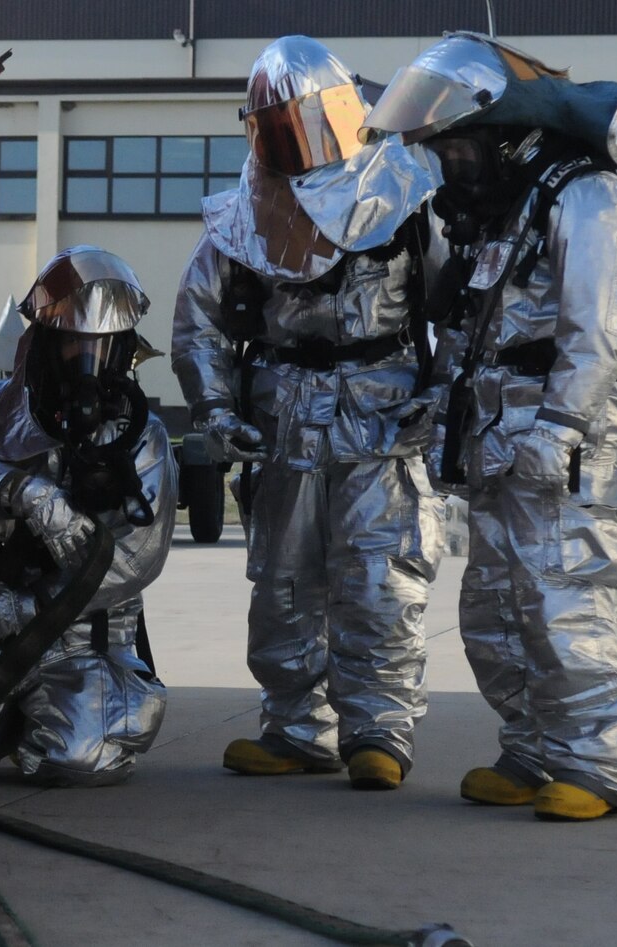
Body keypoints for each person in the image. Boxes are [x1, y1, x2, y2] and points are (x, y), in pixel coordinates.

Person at [364, 32, 617, 821]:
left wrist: (559, 429)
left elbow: (601, 331)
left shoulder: (589, 198)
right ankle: (531, 748)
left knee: (562, 604)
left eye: (452, 145)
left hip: (560, 443)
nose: (444, 163)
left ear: (500, 135)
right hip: (495, 443)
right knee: (493, 613)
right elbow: (467, 325)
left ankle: (598, 762)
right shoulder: (497, 216)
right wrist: (436, 400)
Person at [170, 36, 444, 791]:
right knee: (283, 577)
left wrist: (443, 397)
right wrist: (216, 410)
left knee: (378, 572)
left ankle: (378, 729)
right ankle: (295, 725)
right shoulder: (242, 221)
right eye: (274, 128)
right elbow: (198, 323)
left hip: (381, 409)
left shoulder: (410, 195)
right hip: (285, 413)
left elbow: (464, 313)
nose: (294, 144)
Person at [0, 245, 176, 787]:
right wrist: (26, 493)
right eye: (71, 341)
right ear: (43, 340)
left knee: (72, 760)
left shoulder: (143, 437)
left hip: (81, 641)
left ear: (121, 348)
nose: (84, 359)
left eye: (99, 344)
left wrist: (34, 605)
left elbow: (137, 557)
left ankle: (35, 720)